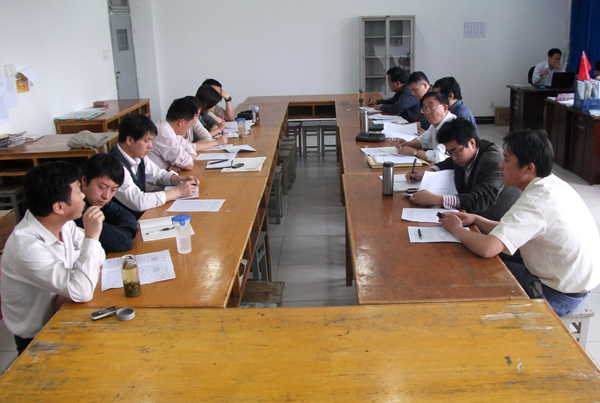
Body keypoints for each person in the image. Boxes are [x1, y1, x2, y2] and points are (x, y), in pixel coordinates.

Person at [439, 129, 600, 317]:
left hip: (556, 295)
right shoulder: (551, 184)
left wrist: (457, 229)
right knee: (488, 253)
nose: (500, 165)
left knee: (478, 269)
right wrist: (477, 220)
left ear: (528, 168)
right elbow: (512, 231)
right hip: (569, 280)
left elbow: (488, 248)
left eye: (507, 160)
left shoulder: (534, 202)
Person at [1, 161, 105, 354]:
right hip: (38, 338)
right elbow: (82, 290)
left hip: (66, 311)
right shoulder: (26, 247)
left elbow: (99, 255)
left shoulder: (62, 223)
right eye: (78, 191)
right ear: (59, 207)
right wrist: (92, 237)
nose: (83, 196)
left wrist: (74, 281)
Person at [406, 118, 520, 221]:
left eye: (456, 152)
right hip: (471, 215)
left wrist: (438, 200)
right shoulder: (465, 153)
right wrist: (426, 172)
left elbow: (480, 199)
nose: (454, 157)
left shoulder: (492, 161)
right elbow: (449, 162)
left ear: (472, 143)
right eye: (449, 152)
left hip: (495, 221)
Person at [109, 114, 200, 219]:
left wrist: (181, 180)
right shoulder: (114, 166)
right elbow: (139, 201)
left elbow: (159, 175)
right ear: (129, 140)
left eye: (151, 140)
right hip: (124, 222)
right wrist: (178, 191)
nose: (150, 146)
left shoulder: (138, 156)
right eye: (146, 141)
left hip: (141, 216)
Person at [75, 153, 137, 254]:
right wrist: (122, 234)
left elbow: (127, 216)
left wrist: (125, 234)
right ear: (84, 180)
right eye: (102, 187)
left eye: (113, 190)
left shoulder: (96, 200)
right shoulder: (76, 209)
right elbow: (125, 243)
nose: (106, 196)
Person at [395, 92, 455, 164]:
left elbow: (439, 157)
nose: (427, 112)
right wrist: (408, 144)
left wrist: (413, 152)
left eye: (431, 108)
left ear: (445, 108)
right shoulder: (436, 123)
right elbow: (423, 140)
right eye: (425, 109)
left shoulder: (452, 126)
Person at [148, 97, 200, 172]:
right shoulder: (163, 133)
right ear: (181, 122)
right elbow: (189, 165)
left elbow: (192, 152)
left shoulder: (170, 130)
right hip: (157, 179)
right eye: (191, 123)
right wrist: (184, 164)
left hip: (166, 175)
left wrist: (181, 164)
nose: (190, 127)